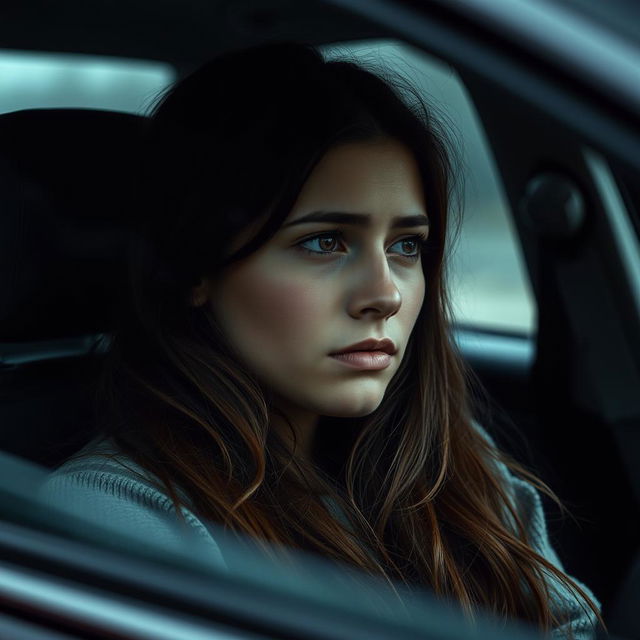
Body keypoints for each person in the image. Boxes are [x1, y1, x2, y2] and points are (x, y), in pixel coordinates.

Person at [39, 41, 603, 638]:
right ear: (196, 268)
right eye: (325, 242)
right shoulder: (120, 518)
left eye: (406, 245)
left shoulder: (450, 460)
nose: (384, 293)